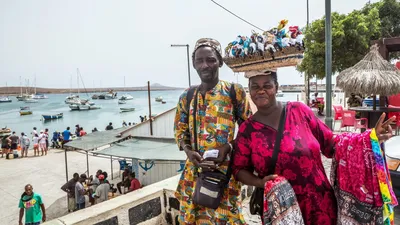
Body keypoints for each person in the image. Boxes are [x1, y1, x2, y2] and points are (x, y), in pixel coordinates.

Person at [232, 69, 396, 224]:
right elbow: (239, 170)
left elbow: (331, 144)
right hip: (281, 210)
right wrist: (260, 183)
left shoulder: (299, 111)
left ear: (276, 87)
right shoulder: (248, 130)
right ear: (249, 90)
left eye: (267, 85)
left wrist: (368, 138)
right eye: (255, 87)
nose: (261, 91)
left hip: (320, 204)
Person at [173, 38, 251, 224]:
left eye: (210, 59)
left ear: (220, 62)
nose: (204, 65)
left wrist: (228, 148)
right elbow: (180, 131)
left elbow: (249, 131)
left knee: (226, 219)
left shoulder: (234, 92)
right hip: (195, 174)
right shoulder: (187, 96)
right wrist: (189, 152)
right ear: (193, 64)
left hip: (224, 175)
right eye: (199, 61)